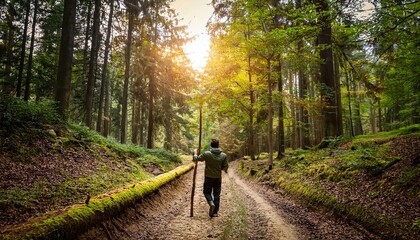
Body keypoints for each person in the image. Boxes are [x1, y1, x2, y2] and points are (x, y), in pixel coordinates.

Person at [194, 139, 229, 217]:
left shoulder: (207, 154)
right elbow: (225, 166)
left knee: (206, 192)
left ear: (211, 145)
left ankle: (211, 203)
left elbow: (197, 159)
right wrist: (222, 169)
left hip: (208, 177)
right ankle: (215, 212)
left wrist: (195, 155)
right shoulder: (223, 155)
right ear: (218, 145)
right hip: (218, 177)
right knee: (217, 194)